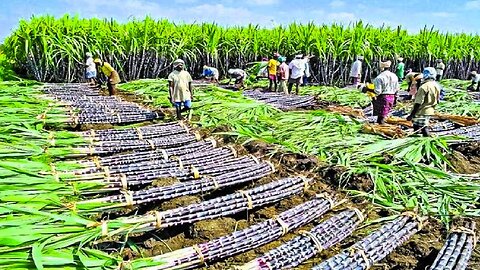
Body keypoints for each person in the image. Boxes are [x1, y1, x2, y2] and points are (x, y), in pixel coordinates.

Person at [407, 67, 441, 137]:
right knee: (417, 126)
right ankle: (417, 138)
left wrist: (411, 115)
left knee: (423, 128)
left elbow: (418, 102)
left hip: (422, 111)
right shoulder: (436, 85)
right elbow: (438, 100)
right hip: (430, 110)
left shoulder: (424, 87)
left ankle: (428, 141)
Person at [372, 60, 399, 124]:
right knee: (384, 114)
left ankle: (381, 127)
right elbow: (397, 89)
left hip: (383, 98)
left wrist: (368, 89)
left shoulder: (379, 77)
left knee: (381, 116)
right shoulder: (394, 76)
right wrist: (396, 98)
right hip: (392, 97)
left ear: (381, 68)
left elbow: (378, 91)